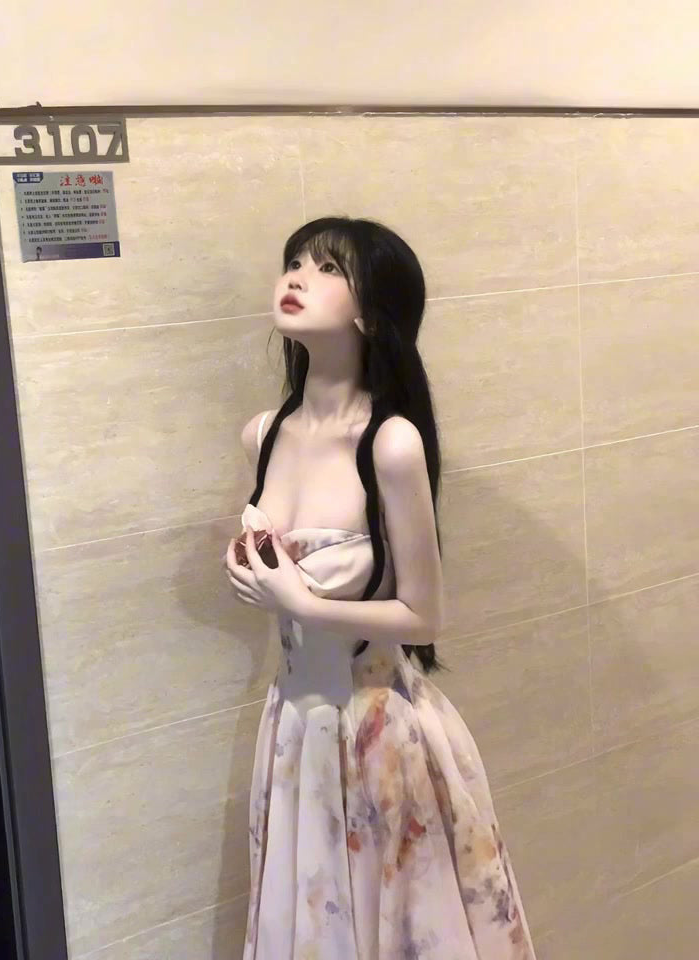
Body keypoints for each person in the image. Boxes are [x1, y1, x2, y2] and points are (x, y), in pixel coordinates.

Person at [225, 216, 537, 959]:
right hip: (291, 727)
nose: (296, 276)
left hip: (375, 728)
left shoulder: (390, 442)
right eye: (295, 261)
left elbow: (425, 616)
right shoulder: (263, 434)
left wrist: (303, 602)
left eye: (328, 268)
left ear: (370, 312)